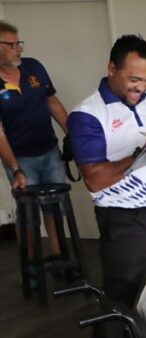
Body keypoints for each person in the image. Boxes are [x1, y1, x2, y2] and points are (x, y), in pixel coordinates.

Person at [67, 34, 146, 306]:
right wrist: (140, 152)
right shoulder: (87, 114)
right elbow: (94, 179)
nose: (141, 88)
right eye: (133, 80)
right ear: (112, 69)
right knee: (127, 294)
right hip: (123, 217)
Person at [0, 20, 70, 258]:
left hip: (49, 151)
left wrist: (75, 136)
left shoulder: (33, 67)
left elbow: (52, 102)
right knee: (28, 214)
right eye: (12, 44)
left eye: (19, 43)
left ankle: (59, 257)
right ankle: (30, 265)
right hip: (20, 157)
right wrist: (15, 168)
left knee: (55, 209)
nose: (19, 48)